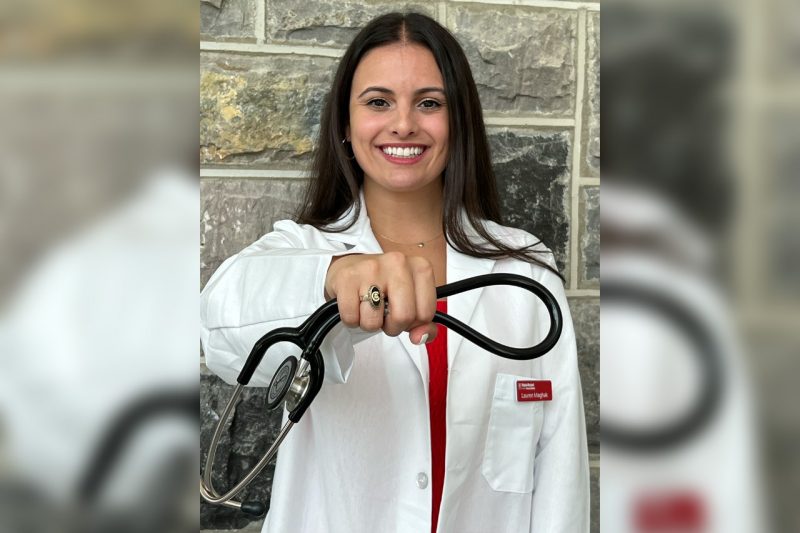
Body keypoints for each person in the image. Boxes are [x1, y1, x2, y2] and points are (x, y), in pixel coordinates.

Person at [201, 12, 589, 533]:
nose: (403, 124)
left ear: (459, 122)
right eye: (378, 102)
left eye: (429, 103)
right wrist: (336, 276)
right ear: (345, 122)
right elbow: (220, 326)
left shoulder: (525, 273)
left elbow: (558, 466)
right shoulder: (303, 251)